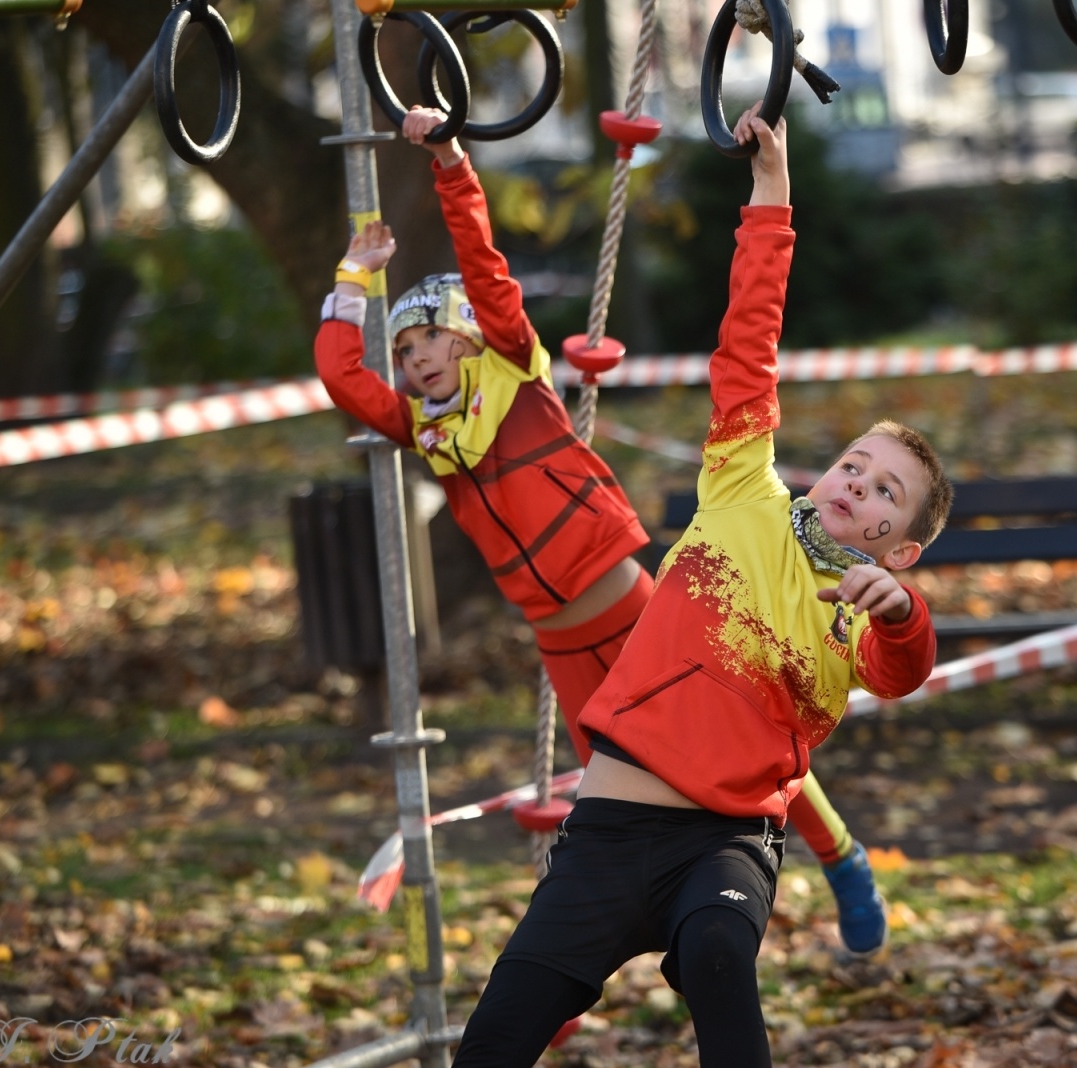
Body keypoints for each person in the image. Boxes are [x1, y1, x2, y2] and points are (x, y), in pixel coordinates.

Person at [314, 106, 892, 951]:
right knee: (611, 804)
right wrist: (355, 275)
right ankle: (568, 965)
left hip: (632, 612)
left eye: (432, 337)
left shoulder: (516, 372)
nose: (420, 360)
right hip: (559, 643)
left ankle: (840, 856)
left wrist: (448, 160)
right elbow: (339, 372)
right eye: (405, 353)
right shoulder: (426, 430)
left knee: (743, 740)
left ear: (469, 336)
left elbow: (482, 258)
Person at [448, 103, 954, 1068]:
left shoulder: (864, 610)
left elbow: (900, 672)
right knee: (497, 1035)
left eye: (888, 491)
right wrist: (772, 200)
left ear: (901, 549)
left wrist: (905, 618)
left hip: (724, 844)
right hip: (608, 825)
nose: (858, 484)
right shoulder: (743, 489)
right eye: (854, 463)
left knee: (720, 951)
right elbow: (748, 345)